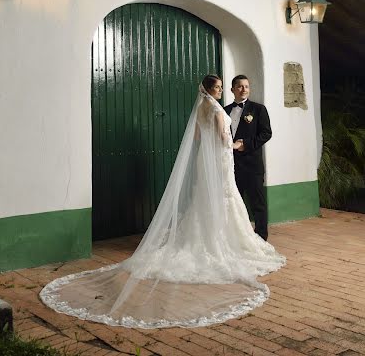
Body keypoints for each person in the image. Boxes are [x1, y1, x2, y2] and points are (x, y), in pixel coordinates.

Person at [40, 75, 285, 329]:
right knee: (225, 200)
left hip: (215, 161)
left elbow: (201, 139)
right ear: (213, 89)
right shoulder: (217, 109)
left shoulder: (211, 108)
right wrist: (230, 145)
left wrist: (237, 146)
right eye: (221, 87)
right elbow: (223, 139)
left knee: (220, 201)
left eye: (229, 87)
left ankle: (228, 236)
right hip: (222, 161)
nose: (225, 90)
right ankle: (225, 242)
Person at [224, 75, 271, 241]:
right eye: (240, 86)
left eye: (246, 86)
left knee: (258, 204)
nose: (244, 89)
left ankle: (261, 237)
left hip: (252, 165)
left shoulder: (258, 109)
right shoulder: (225, 110)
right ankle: (236, 238)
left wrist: (246, 144)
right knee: (234, 204)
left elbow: (266, 133)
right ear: (232, 89)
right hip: (231, 165)